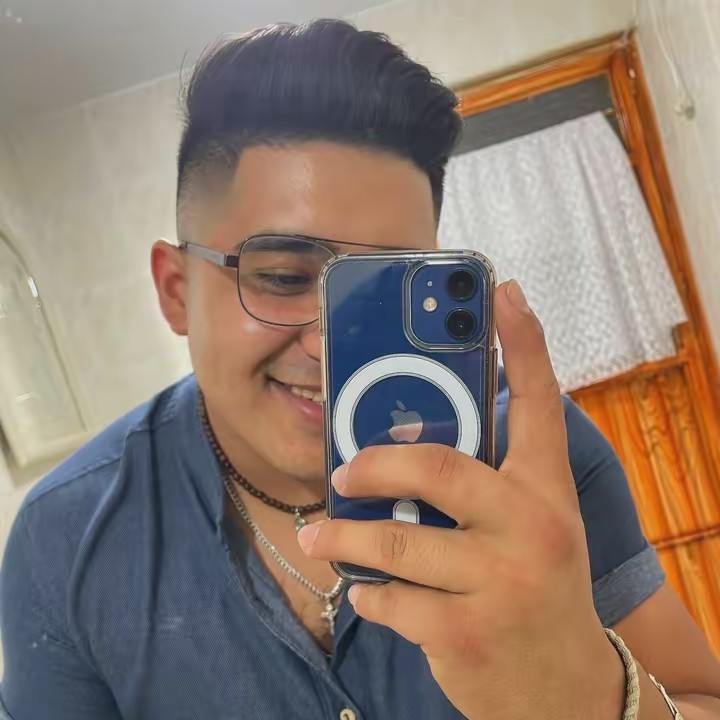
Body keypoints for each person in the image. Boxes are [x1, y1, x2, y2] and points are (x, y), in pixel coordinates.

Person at [1, 19, 719, 720]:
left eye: (382, 290)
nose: (329, 345)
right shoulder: (65, 542)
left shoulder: (535, 460)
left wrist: (589, 701)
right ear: (177, 291)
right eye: (284, 277)